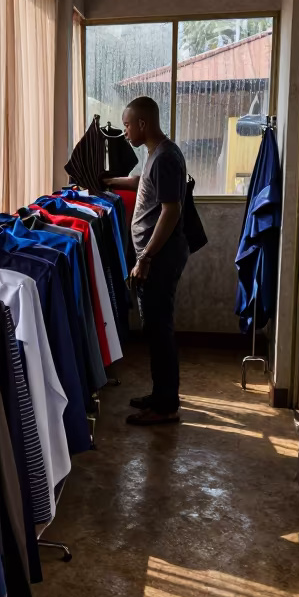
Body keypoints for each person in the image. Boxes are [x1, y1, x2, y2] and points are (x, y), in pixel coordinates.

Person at [103, 96, 188, 425]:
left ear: (143, 124)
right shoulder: (159, 153)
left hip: (160, 259)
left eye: (126, 125)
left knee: (160, 331)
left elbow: (171, 210)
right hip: (157, 257)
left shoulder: (165, 157)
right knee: (155, 329)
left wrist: (146, 258)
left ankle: (166, 407)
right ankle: (160, 394)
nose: (124, 132)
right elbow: (144, 184)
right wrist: (110, 181)